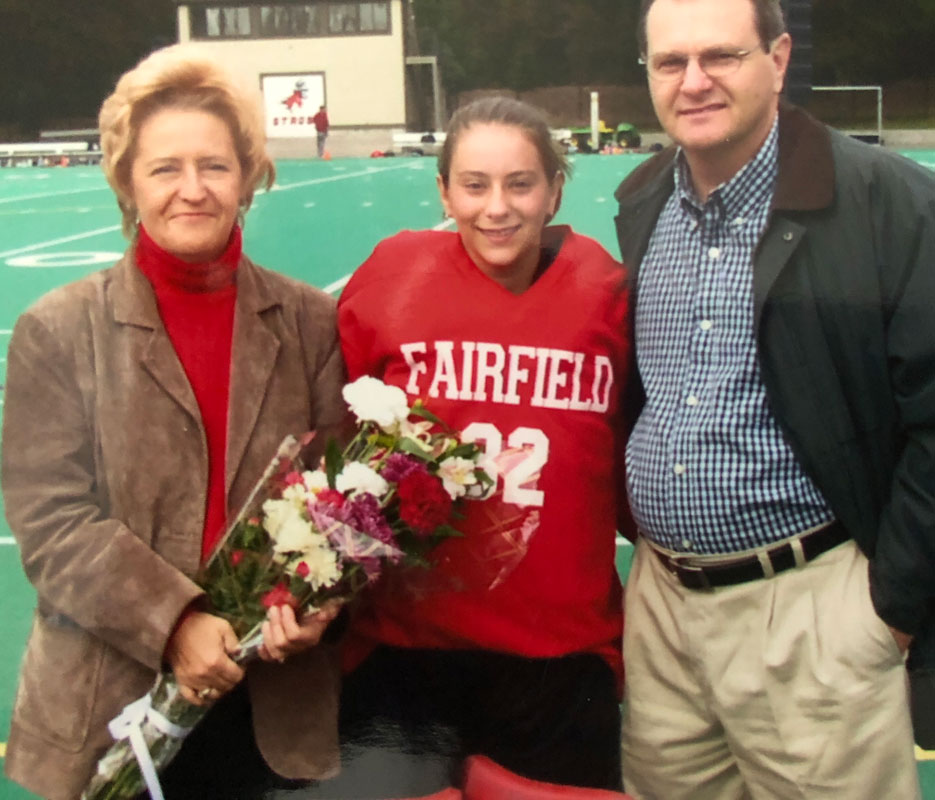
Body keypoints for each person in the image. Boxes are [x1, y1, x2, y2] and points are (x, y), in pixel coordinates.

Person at [1, 44, 347, 800]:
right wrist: (174, 620)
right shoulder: (57, 331)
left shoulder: (310, 322)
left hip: (272, 709)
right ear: (128, 181)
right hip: (110, 710)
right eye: (164, 169)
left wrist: (318, 604)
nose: (191, 190)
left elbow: (339, 504)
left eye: (214, 166)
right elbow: (52, 521)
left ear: (248, 176)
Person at [613, 0, 934, 797]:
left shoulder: (884, 202)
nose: (692, 82)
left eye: (720, 56)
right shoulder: (644, 197)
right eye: (669, 63)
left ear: (778, 59)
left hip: (810, 615)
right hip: (662, 614)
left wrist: (886, 609)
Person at [326, 96, 631, 797]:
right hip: (405, 650)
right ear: (442, 191)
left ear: (555, 188)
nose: (496, 207)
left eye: (520, 183)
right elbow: (332, 434)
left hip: (558, 653)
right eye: (473, 184)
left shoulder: (607, 292)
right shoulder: (390, 276)